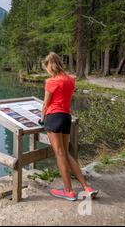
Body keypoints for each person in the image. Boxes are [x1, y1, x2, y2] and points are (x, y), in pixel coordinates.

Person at [40, 52, 98, 201]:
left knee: (59, 154)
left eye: (46, 67)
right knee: (66, 153)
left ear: (50, 66)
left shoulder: (51, 82)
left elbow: (46, 104)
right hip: (66, 117)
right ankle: (86, 187)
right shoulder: (70, 80)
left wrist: (41, 117)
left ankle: (68, 191)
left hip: (53, 117)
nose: (46, 70)